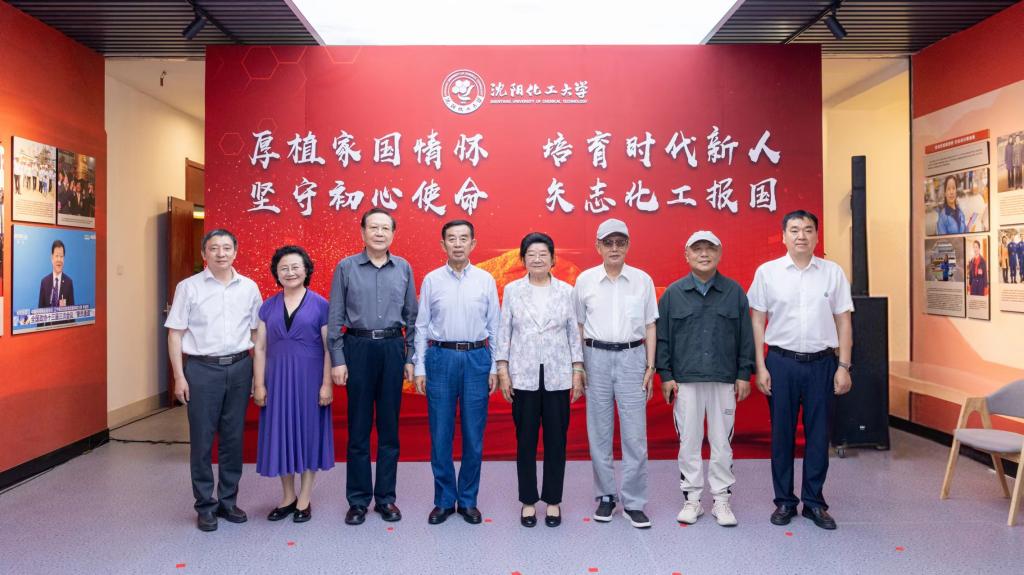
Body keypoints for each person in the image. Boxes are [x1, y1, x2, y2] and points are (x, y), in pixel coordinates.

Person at [748, 210, 853, 531]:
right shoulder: (768, 273)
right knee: (782, 434)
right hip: (781, 363)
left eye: (808, 230)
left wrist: (844, 366)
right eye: (794, 230)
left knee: (819, 435)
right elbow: (757, 321)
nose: (801, 236)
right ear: (783, 236)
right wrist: (760, 366)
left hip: (823, 364)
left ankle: (814, 502)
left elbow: (844, 321)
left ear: (817, 236)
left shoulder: (832, 273)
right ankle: (784, 501)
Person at [165, 229, 262, 532]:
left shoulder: (249, 287)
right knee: (202, 440)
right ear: (204, 253)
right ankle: (205, 505)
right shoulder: (188, 287)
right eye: (214, 248)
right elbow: (175, 333)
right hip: (202, 370)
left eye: (227, 248)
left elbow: (257, 333)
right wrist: (179, 376)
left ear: (236, 251)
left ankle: (228, 501)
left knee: (233, 439)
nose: (221, 253)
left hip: (240, 367)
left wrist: (257, 377)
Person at [656, 230, 755, 527]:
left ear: (719, 253)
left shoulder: (734, 292)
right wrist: (666, 375)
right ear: (686, 255)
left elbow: (745, 337)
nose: (703, 254)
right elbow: (662, 339)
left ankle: (721, 500)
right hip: (685, 381)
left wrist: (744, 373)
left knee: (721, 443)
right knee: (689, 441)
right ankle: (693, 500)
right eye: (697, 249)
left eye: (709, 248)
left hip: (723, 379)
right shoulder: (673, 294)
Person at [328, 208, 417, 526]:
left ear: (393, 234)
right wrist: (338, 359)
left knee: (389, 429)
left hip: (392, 348)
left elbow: (412, 317)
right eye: (373, 228)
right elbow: (335, 316)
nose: (379, 233)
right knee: (359, 428)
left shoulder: (403, 267)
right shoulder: (346, 267)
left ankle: (386, 498)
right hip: (358, 348)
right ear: (362, 232)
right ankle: (357, 500)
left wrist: (410, 358)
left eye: (385, 228)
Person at [413, 220, 500, 525]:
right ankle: (443, 500)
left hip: (477, 357)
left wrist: (495, 366)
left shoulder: (485, 280)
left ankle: (468, 500)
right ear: (443, 245)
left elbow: (495, 326)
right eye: (452, 239)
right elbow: (421, 326)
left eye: (464, 238)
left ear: (473, 244)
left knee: (474, 434)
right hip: (441, 357)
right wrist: (420, 366)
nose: (458, 244)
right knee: (440, 433)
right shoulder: (432, 280)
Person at [573, 218, 658, 529]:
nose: (614, 248)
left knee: (635, 434)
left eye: (620, 242)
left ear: (628, 246)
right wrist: (578, 365)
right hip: (594, 356)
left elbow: (650, 325)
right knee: (599, 431)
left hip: (633, 357)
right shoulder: (585, 281)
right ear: (597, 246)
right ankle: (606, 495)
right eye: (608, 243)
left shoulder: (642, 280)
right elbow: (578, 326)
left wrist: (650, 366)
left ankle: (634, 501)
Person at [495, 232, 584, 528]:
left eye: (543, 254)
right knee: (526, 441)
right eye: (531, 254)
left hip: (558, 375)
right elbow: (504, 331)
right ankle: (528, 501)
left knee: (557, 441)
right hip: (523, 376)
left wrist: (577, 369)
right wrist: (503, 369)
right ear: (523, 259)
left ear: (553, 258)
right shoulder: (512, 291)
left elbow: (573, 332)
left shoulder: (566, 291)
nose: (537, 259)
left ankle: (554, 500)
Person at [253, 245, 334, 524]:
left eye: (295, 267)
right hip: (276, 381)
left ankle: (304, 498)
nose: (290, 272)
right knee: (281, 435)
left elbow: (329, 348)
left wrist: (326, 384)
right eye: (283, 268)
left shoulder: (321, 305)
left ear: (306, 270)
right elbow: (260, 348)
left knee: (309, 435)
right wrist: (259, 384)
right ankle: (287, 497)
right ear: (276, 273)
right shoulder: (267, 306)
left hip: (310, 381)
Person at [38, 239, 74, 309]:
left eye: (61, 256)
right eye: (57, 256)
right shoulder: (44, 282)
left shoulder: (69, 283)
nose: (59, 260)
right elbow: (40, 311)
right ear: (52, 258)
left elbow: (72, 312)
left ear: (64, 259)